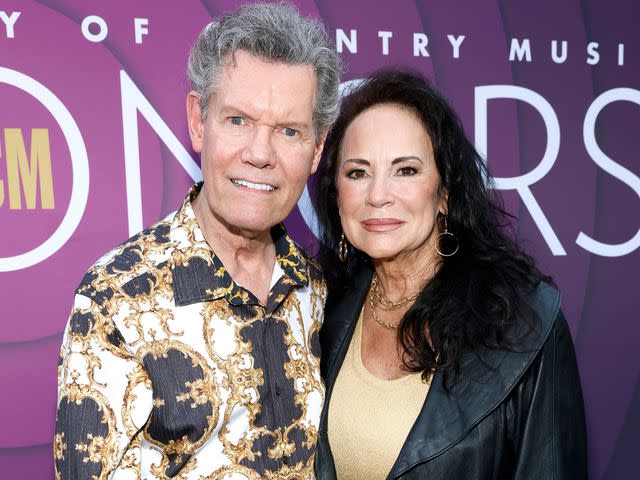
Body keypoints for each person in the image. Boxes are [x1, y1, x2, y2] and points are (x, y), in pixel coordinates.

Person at [54, 3, 341, 479]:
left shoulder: (325, 293)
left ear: (317, 148)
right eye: (237, 121)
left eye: (289, 131)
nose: (260, 153)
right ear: (196, 120)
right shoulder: (118, 296)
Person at [314, 70, 587, 479]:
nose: (377, 194)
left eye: (406, 170)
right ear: (337, 196)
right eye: (358, 172)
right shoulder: (319, 307)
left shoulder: (525, 324)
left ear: (445, 193)